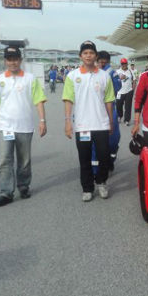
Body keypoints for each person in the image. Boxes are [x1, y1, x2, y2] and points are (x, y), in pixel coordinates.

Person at [0, 46, 47, 207]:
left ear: (20, 60)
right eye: (9, 59)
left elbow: (39, 100)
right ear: (5, 61)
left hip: (25, 126)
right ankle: (6, 192)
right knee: (5, 159)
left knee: (24, 160)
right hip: (6, 126)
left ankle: (24, 186)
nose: (12, 62)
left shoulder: (30, 79)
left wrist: (42, 121)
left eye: (15, 59)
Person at [62, 41, 115, 202]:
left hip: (101, 124)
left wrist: (111, 121)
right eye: (85, 53)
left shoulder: (104, 75)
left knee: (104, 156)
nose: (88, 55)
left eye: (91, 53)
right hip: (82, 125)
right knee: (84, 158)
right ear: (80, 56)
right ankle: (87, 188)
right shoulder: (72, 76)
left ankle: (101, 181)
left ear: (95, 55)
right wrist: (68, 122)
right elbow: (68, 100)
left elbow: (109, 100)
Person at [95, 51, 121, 171]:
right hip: (96, 110)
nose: (102, 63)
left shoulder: (111, 72)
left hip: (110, 108)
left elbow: (117, 87)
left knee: (113, 140)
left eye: (104, 61)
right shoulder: (92, 71)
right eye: (100, 60)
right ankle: (96, 169)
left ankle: (111, 159)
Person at [116, 58, 135, 126]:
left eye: (125, 63)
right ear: (121, 64)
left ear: (127, 64)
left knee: (128, 107)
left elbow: (134, 80)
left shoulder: (130, 71)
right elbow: (114, 81)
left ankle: (127, 120)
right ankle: (119, 116)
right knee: (118, 106)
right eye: (122, 63)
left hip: (129, 91)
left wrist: (133, 89)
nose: (123, 65)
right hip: (119, 92)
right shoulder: (117, 71)